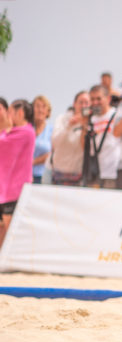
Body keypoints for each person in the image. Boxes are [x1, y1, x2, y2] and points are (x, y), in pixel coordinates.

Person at [0, 99, 36, 249]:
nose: (8, 116)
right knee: (4, 226)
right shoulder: (16, 131)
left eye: (10, 112)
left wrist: (4, 127)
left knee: (10, 227)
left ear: (20, 113)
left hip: (15, 189)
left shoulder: (26, 132)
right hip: (7, 188)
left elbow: (3, 145)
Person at [50, 91, 90, 186]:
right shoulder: (62, 119)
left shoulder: (90, 122)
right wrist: (69, 125)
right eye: (81, 102)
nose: (83, 106)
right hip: (58, 173)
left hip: (78, 176)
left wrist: (85, 126)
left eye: (86, 103)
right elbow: (55, 142)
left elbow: (85, 148)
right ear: (74, 104)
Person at [84, 85, 120, 189]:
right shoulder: (91, 119)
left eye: (99, 99)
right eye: (92, 99)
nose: (95, 102)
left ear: (108, 98)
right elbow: (86, 148)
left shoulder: (116, 115)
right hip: (94, 173)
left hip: (113, 173)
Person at [31, 95, 52, 184]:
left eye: (44, 106)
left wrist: (33, 162)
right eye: (37, 106)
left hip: (43, 176)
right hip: (25, 175)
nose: (40, 110)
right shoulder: (27, 129)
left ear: (48, 111)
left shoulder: (52, 130)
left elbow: (53, 153)